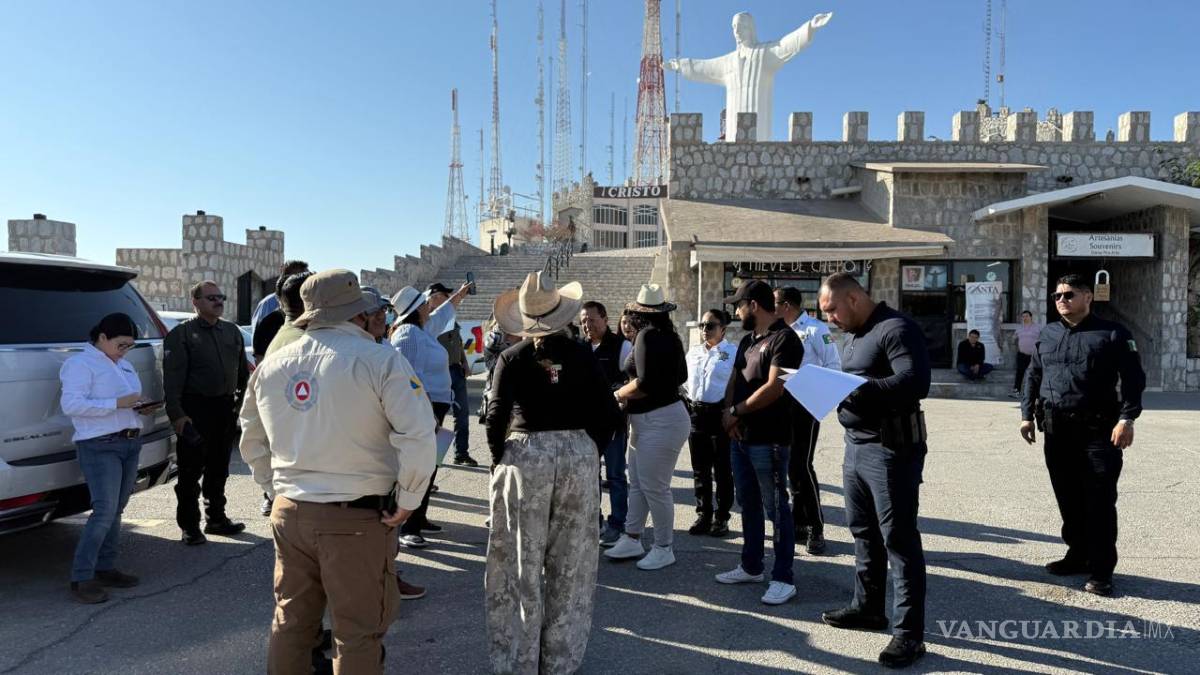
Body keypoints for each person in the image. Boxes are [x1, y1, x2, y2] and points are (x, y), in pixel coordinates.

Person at [239, 269, 437, 675]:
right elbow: (418, 435)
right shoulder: (381, 360)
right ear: (358, 313)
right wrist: (409, 499)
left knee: (291, 623)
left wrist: (274, 489)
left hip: (291, 512)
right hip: (355, 518)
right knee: (357, 631)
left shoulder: (272, 364)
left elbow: (251, 438)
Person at [485, 271, 619, 675]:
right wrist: (588, 449)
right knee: (572, 564)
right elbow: (609, 413)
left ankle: (519, 659)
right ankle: (560, 660)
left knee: (518, 563)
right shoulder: (583, 354)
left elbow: (496, 416)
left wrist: (500, 459)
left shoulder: (512, 357)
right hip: (577, 455)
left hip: (526, 455)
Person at [817, 272, 930, 669]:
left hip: (890, 450)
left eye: (832, 309)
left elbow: (915, 382)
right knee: (863, 531)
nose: (829, 318)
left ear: (853, 298)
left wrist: (855, 388)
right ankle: (868, 608)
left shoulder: (896, 328)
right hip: (856, 446)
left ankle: (909, 634)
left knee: (898, 538)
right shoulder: (854, 334)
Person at [1020, 273, 1145, 597]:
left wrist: (1127, 419)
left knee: (1099, 502)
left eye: (1069, 294)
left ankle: (1102, 571)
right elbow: (1033, 374)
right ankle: (1077, 555)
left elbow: (1134, 379)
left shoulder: (1112, 334)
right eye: (1057, 295)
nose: (1061, 300)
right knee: (1068, 498)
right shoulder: (1048, 333)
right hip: (1057, 432)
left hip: (1098, 433)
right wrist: (1026, 416)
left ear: (1088, 297)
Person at [59, 313, 162, 604]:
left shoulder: (123, 364)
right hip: (99, 444)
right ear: (102, 337)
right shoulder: (80, 364)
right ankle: (82, 577)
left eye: (129, 346)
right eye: (121, 345)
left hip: (129, 441)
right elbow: (71, 404)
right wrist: (116, 404)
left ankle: (105, 567)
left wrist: (140, 407)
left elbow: (126, 402)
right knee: (104, 510)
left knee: (116, 508)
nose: (125, 351)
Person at [713, 280, 802, 606]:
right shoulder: (748, 340)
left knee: (776, 508)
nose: (736, 313)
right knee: (747, 503)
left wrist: (735, 412)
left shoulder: (786, 340)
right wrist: (729, 415)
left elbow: (775, 387)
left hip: (771, 440)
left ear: (753, 305)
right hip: (741, 437)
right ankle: (751, 566)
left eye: (739, 306)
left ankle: (783, 578)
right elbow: (735, 380)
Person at [604, 285, 689, 571]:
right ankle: (632, 537)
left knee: (654, 487)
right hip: (658, 418)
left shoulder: (646, 336)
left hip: (659, 420)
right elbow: (680, 376)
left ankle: (664, 547)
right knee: (640, 484)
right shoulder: (670, 336)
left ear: (639, 313)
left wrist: (616, 394)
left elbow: (643, 383)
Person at [164, 280, 251, 545]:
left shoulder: (231, 331)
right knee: (190, 472)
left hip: (224, 408)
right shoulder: (182, 334)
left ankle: (216, 518)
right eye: (211, 297)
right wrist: (178, 415)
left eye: (221, 297)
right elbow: (172, 380)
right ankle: (190, 526)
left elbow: (242, 373)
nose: (218, 301)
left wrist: (239, 404)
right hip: (195, 409)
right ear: (196, 302)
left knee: (219, 468)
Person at [388, 282, 469, 547]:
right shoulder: (409, 334)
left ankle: (418, 518)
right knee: (420, 468)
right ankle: (407, 527)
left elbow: (442, 315)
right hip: (425, 409)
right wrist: (423, 411)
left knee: (430, 466)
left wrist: (458, 296)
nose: (429, 307)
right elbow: (409, 376)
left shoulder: (420, 330)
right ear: (417, 309)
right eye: (425, 304)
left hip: (434, 407)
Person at [775, 285, 840, 555]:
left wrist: (814, 394)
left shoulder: (815, 329)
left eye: (775, 303)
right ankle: (798, 522)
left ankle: (816, 527)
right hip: (782, 406)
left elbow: (833, 366)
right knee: (790, 466)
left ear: (787, 305)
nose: (772, 307)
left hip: (805, 405)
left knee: (802, 465)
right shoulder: (779, 331)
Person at [579, 300, 633, 546]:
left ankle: (618, 524)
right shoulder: (579, 348)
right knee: (589, 475)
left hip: (612, 423)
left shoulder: (622, 347)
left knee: (615, 476)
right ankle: (594, 520)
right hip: (585, 425)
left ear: (605, 319)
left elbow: (630, 382)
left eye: (591, 320)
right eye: (583, 321)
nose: (587, 325)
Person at [683, 308, 737, 538]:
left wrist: (731, 412)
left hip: (719, 414)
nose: (705, 329)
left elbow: (737, 384)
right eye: (702, 325)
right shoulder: (693, 352)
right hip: (696, 414)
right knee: (700, 469)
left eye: (710, 325)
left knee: (722, 469)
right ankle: (703, 514)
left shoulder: (732, 353)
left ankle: (722, 517)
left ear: (723, 329)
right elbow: (685, 382)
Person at [426, 282, 480, 467]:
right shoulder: (428, 322)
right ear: (433, 297)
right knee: (435, 418)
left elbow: (457, 341)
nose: (449, 299)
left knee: (462, 414)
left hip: (456, 370)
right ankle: (431, 462)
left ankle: (461, 453)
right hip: (438, 374)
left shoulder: (449, 319)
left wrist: (464, 362)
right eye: (445, 295)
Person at [251, 259, 309, 331]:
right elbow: (258, 334)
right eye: (301, 279)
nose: (306, 283)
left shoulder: (309, 302)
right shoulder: (267, 304)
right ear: (287, 280)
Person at [1011, 310, 1039, 398]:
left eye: (1026, 316)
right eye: (1023, 316)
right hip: (1021, 354)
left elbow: (1042, 339)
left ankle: (1035, 394)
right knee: (1019, 373)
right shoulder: (1019, 328)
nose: (1025, 318)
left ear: (1031, 317)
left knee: (1034, 373)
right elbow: (1014, 339)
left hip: (1033, 355)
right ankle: (1016, 392)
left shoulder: (1037, 328)